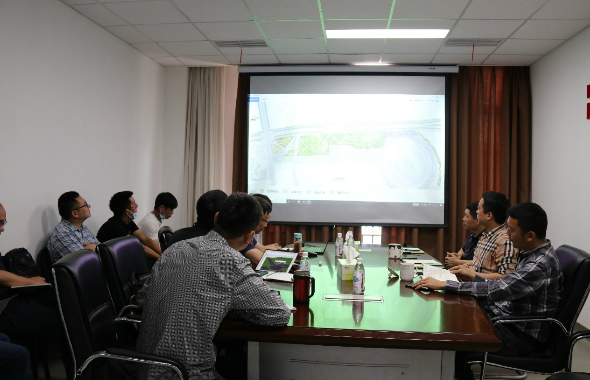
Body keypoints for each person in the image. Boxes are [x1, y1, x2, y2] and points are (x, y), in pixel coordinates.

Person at [136, 192, 292, 380]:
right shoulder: (232, 262)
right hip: (187, 374)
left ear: (217, 217)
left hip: (142, 366)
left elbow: (143, 298)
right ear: (249, 236)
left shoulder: (175, 248)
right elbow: (279, 314)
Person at [413, 202, 562, 380]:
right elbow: (505, 283)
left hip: (518, 334)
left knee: (455, 341)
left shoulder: (539, 264)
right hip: (505, 318)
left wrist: (446, 285)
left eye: (511, 230)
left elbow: (498, 289)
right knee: (454, 319)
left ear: (530, 235)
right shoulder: (530, 253)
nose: (507, 234)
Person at [0, 203, 73, 379]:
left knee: (62, 305)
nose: (2, 229)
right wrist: (28, 281)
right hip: (4, 307)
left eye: (4, 222)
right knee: (64, 324)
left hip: (11, 298)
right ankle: (75, 371)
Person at [451, 191, 517, 281]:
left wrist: (472, 273)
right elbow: (483, 268)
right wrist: (468, 267)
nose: (477, 211)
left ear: (489, 215)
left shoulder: (504, 241)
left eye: (479, 208)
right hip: (472, 287)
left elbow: (506, 278)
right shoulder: (484, 235)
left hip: (483, 293)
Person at [97, 191, 162, 263]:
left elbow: (146, 240)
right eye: (134, 204)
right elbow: (141, 248)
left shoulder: (128, 222)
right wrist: (161, 259)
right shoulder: (115, 227)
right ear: (127, 212)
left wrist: (163, 254)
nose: (136, 206)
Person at [47, 191, 100, 263]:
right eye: (85, 205)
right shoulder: (62, 233)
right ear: (75, 213)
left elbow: (101, 249)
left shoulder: (84, 228)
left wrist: (95, 248)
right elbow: (84, 260)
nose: (89, 206)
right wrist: (97, 249)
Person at [239, 195, 281, 266]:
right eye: (265, 220)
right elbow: (264, 262)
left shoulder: (248, 233)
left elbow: (262, 249)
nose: (266, 225)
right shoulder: (242, 235)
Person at [445, 201, 485, 267]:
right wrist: (456, 256)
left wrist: (458, 262)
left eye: (466, 216)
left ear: (477, 220)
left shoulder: (485, 237)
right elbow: (462, 251)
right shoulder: (473, 233)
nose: (463, 219)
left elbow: (480, 263)